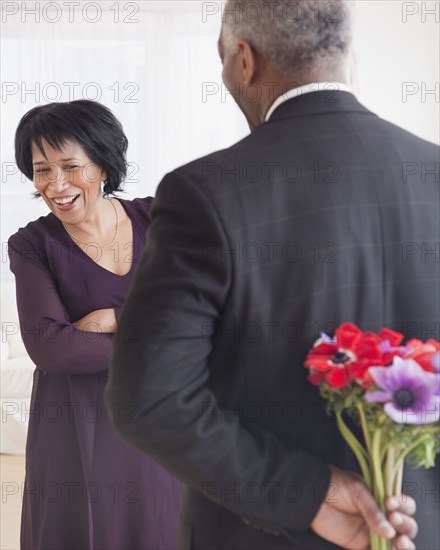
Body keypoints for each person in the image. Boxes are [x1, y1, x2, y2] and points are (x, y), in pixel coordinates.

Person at [106, 1, 439, 549]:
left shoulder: (205, 192)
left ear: (243, 60)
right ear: (345, 54)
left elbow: (151, 400)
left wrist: (309, 492)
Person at [8, 100, 181, 550]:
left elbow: (207, 316)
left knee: (163, 527)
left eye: (70, 166)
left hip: (163, 416)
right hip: (76, 421)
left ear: (103, 164)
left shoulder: (161, 218)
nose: (56, 184)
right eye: (42, 169)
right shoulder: (32, 244)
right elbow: (51, 348)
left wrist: (118, 321)